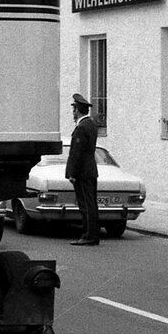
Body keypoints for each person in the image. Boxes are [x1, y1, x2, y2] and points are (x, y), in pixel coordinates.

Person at [66, 92, 100, 246]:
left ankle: (89, 235)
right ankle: (92, 233)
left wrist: (72, 173)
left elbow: (77, 153)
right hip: (90, 170)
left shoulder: (81, 128)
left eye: (73, 110)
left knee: (86, 204)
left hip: (83, 172)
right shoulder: (91, 125)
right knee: (91, 203)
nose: (72, 114)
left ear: (77, 110)